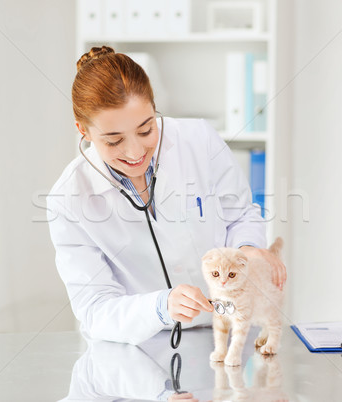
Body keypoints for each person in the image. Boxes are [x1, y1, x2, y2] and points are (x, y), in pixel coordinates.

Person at [46, 46, 286, 345]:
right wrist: (160, 307)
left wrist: (247, 249)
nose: (135, 152)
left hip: (229, 333)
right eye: (114, 140)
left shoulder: (197, 139)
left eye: (145, 130)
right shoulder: (67, 199)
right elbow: (94, 309)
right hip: (140, 351)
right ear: (83, 131)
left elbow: (239, 214)